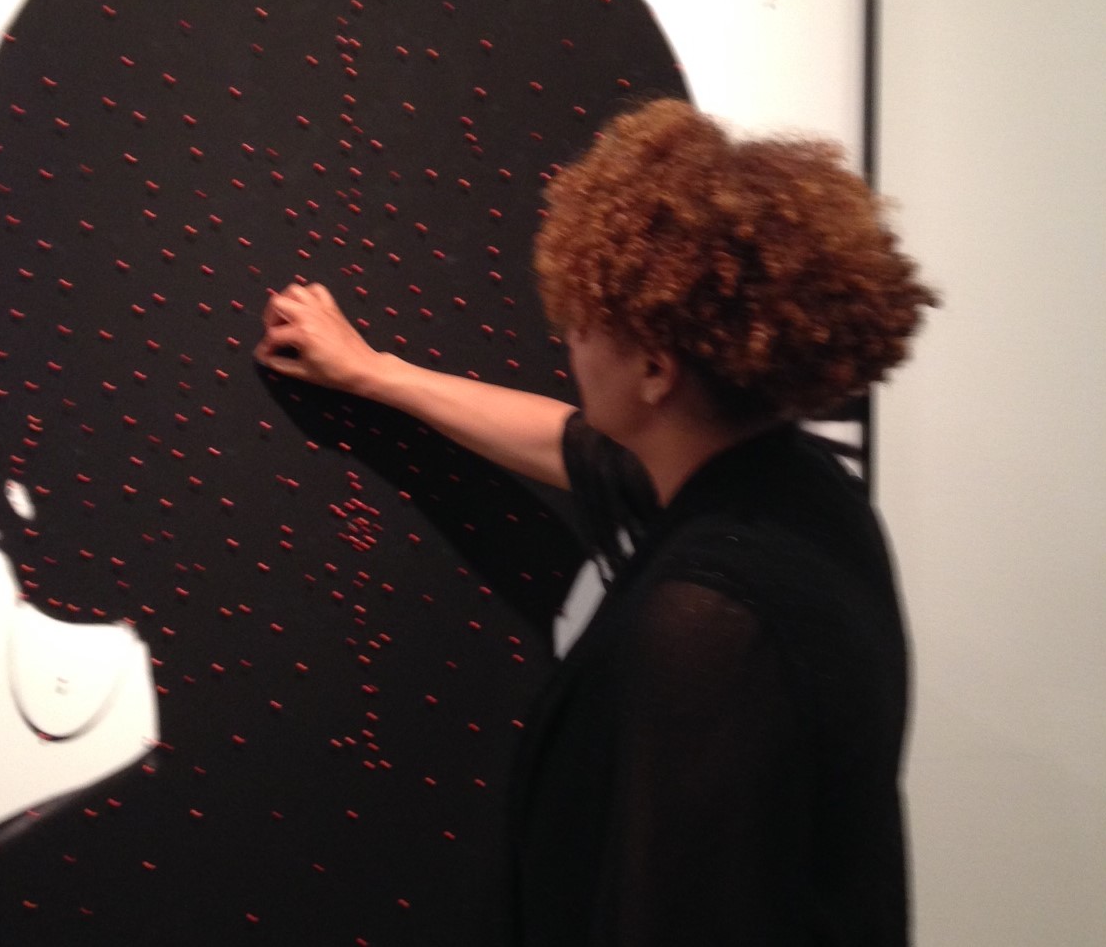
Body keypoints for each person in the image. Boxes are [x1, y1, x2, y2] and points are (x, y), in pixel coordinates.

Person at [254, 97, 937, 945]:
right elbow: (568, 442)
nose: (568, 337)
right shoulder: (795, 489)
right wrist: (373, 373)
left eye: (586, 316)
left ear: (655, 368)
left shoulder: (710, 621)